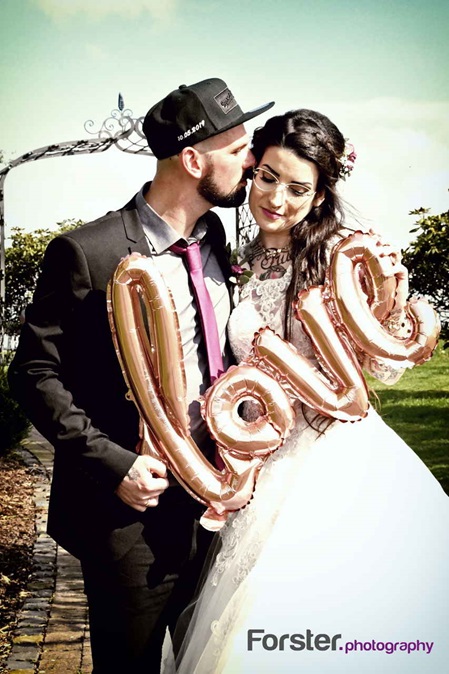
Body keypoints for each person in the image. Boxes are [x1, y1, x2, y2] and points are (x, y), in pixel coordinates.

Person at [7, 77, 274, 673]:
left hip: (219, 504)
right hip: (131, 516)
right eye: (238, 149)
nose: (251, 161)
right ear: (191, 158)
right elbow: (32, 372)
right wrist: (113, 463)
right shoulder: (88, 252)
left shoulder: (214, 240)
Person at [171, 109, 449, 674]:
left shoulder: (336, 258)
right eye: (268, 177)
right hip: (262, 460)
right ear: (252, 172)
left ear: (320, 195)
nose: (277, 197)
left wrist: (394, 302)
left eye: (299, 188)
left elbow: (384, 371)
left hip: (333, 458)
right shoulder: (237, 261)